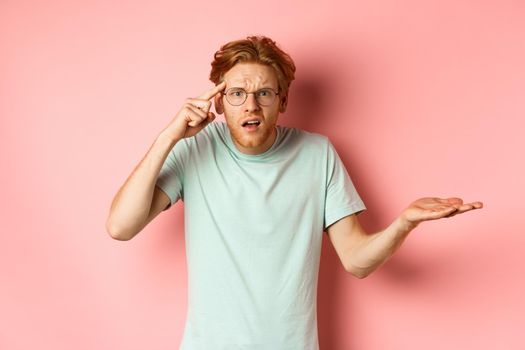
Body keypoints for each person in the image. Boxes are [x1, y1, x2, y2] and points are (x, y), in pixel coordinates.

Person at [105, 35, 483, 349]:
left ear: (283, 101)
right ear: (218, 101)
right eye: (236, 93)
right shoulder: (195, 148)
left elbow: (356, 260)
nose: (250, 105)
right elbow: (121, 226)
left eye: (265, 93)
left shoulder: (317, 154)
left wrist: (404, 223)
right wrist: (169, 136)